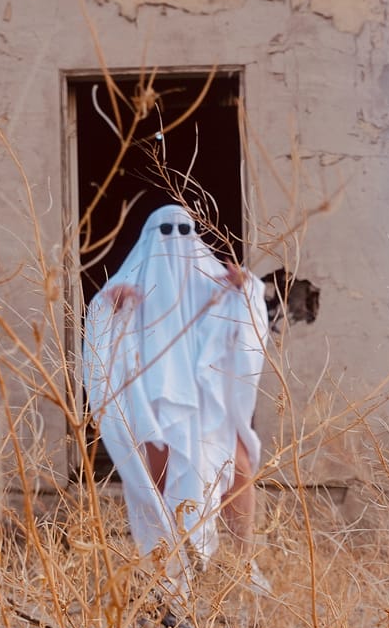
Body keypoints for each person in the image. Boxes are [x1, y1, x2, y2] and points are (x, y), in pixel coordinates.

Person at [82, 202, 270, 592]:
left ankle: (243, 560)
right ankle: (169, 568)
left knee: (236, 470)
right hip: (158, 402)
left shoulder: (210, 279)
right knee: (160, 478)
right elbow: (99, 330)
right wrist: (108, 309)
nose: (175, 242)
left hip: (210, 403)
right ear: (149, 240)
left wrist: (246, 289)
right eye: (166, 233)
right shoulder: (132, 283)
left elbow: (249, 313)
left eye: (185, 232)